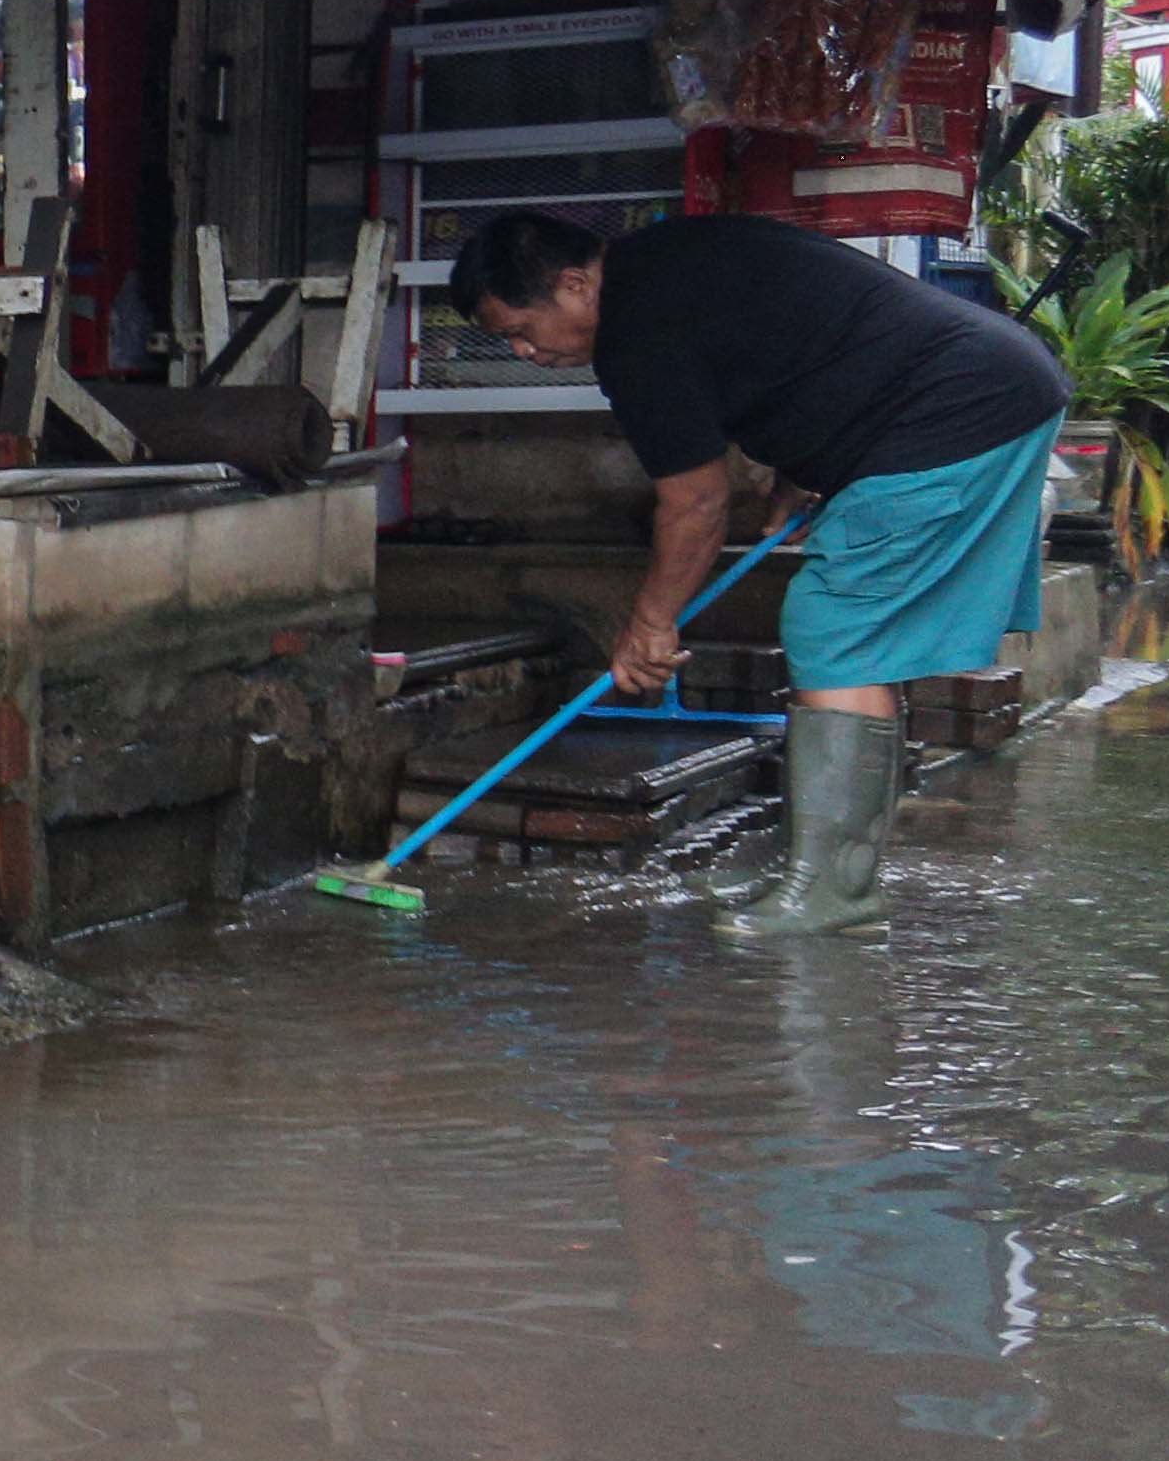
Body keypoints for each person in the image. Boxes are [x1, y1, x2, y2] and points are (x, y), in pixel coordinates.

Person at [448, 208, 1066, 938]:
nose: (523, 352)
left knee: (834, 628)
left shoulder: (637, 330)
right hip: (983, 386)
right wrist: (802, 468)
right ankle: (817, 865)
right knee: (847, 637)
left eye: (520, 329)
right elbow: (803, 344)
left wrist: (650, 622)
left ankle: (835, 890)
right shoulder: (668, 260)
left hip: (958, 408)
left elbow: (696, 505)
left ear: (575, 284)